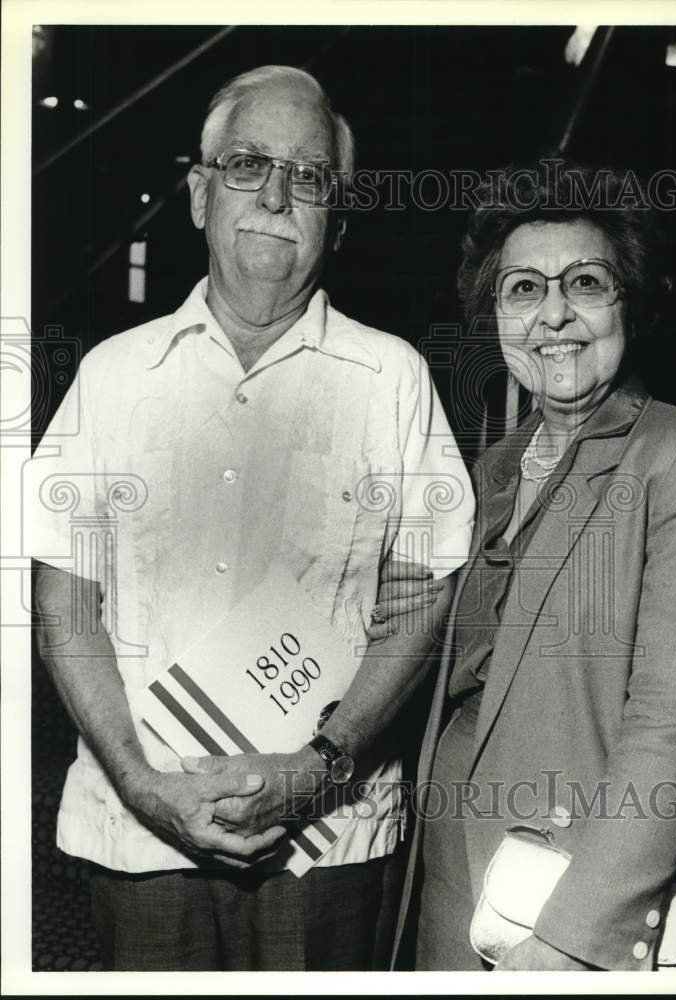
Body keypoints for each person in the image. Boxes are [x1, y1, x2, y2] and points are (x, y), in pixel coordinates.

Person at [29, 65, 475, 971]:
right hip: (142, 834)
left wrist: (318, 767)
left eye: (307, 175)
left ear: (336, 219)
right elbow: (62, 597)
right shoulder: (113, 376)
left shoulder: (392, 379)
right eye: (246, 164)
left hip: (331, 841)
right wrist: (147, 788)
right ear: (198, 195)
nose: (275, 192)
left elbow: (429, 594)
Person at [386, 161, 676, 971]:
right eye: (522, 289)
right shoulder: (491, 472)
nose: (552, 313)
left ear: (630, 301)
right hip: (457, 881)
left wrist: (570, 937)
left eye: (585, 283)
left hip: (581, 903)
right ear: (493, 316)